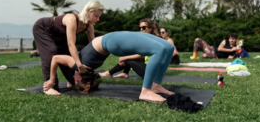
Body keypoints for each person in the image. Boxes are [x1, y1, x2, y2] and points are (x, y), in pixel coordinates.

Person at [44, 31, 175, 103]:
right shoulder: (77, 67)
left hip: (113, 39)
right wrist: (52, 80)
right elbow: (55, 58)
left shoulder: (81, 67)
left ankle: (156, 85)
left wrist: (51, 80)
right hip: (112, 41)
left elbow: (55, 59)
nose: (73, 79)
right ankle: (146, 91)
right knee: (159, 50)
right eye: (75, 81)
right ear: (80, 79)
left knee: (168, 47)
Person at [32, 0, 105, 92]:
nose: (97, 19)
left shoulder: (89, 26)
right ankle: (49, 86)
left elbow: (93, 45)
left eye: (99, 17)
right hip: (43, 29)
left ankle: (70, 81)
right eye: (96, 16)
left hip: (60, 36)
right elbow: (71, 44)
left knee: (68, 59)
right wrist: (79, 64)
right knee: (51, 51)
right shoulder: (72, 19)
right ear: (88, 11)